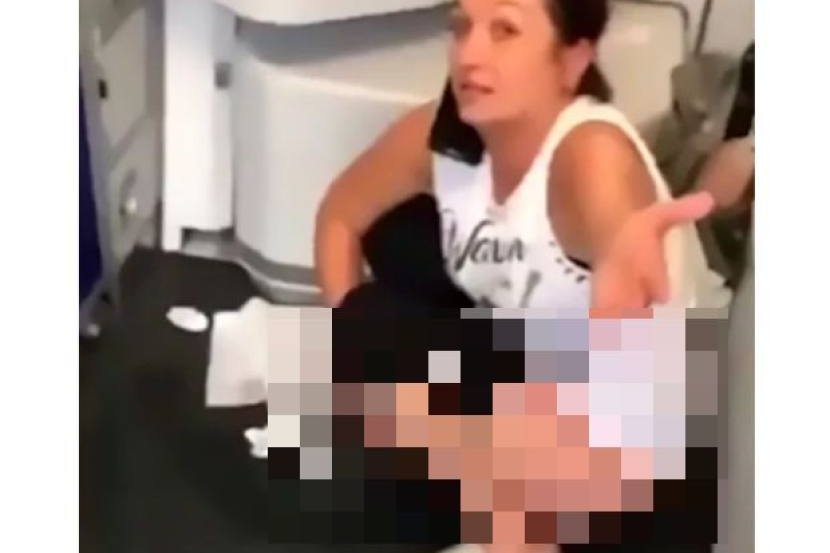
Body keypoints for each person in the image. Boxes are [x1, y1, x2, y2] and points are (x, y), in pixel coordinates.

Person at [315, 0, 727, 313]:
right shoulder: (443, 131)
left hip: (636, 386)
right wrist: (350, 334)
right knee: (392, 240)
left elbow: (645, 389)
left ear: (572, 61)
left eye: (505, 30)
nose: (469, 55)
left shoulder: (593, 155)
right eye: (461, 27)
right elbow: (339, 214)